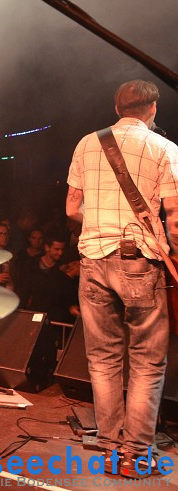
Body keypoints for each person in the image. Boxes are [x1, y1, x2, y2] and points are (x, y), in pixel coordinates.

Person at [66, 79, 178, 478]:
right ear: (152, 109)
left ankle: (111, 448)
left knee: (102, 358)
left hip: (93, 260)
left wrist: (101, 226)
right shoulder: (165, 149)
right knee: (147, 360)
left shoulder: (85, 144)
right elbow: (175, 219)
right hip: (139, 262)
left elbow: (71, 208)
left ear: (118, 108)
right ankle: (135, 456)